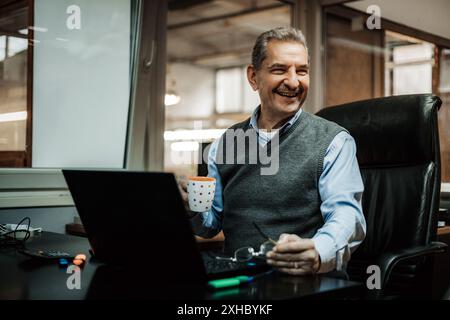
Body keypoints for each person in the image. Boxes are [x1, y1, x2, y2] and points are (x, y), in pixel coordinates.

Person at [180, 27, 366, 276]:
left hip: (304, 283)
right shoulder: (223, 145)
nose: (293, 81)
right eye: (280, 69)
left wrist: (319, 251)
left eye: (302, 71)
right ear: (253, 77)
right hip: (239, 279)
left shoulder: (334, 141)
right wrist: (190, 207)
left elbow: (347, 215)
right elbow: (210, 225)